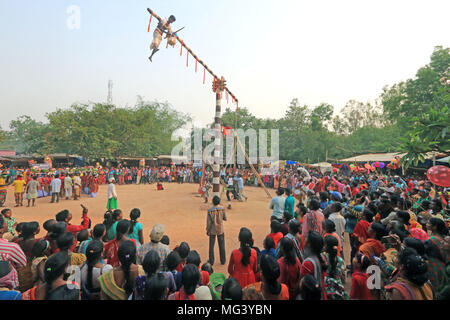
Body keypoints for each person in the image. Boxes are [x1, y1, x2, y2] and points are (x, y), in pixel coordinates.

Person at [0, 215, 27, 289]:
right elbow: (22, 264)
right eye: (5, 222)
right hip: (8, 286)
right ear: (1, 230)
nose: (7, 223)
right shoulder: (11, 248)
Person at [300, 231, 327, 300]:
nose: (304, 238)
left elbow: (302, 284)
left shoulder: (308, 263)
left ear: (309, 244)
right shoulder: (322, 257)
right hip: (321, 294)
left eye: (306, 238)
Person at [323, 235, 348, 300]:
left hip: (325, 291)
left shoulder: (322, 258)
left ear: (325, 246)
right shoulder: (341, 261)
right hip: (338, 291)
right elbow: (343, 278)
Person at [206, 196, 227, 266]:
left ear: (212, 201)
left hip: (212, 230)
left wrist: (207, 230)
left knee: (211, 247)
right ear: (219, 201)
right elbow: (225, 218)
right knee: (222, 245)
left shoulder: (210, 210)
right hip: (220, 229)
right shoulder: (222, 208)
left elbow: (208, 222)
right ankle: (223, 260)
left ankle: (211, 261)